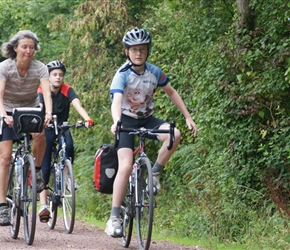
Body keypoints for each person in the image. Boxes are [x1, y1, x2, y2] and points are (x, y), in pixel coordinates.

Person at [105, 28, 198, 237]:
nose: (139, 53)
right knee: (126, 165)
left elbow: (171, 92)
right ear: (127, 52)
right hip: (126, 122)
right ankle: (114, 217)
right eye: (134, 49)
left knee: (174, 134)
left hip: (147, 119)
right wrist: (117, 122)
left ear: (148, 52)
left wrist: (188, 117)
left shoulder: (154, 72)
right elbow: (116, 101)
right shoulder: (122, 75)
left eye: (143, 50)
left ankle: (154, 172)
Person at [0, 30, 52, 226]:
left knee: (40, 134)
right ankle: (2, 205)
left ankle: (36, 171)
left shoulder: (40, 68)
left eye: (31, 47)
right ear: (15, 48)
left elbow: (46, 94)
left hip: (29, 108)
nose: (28, 51)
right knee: (4, 159)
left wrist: (47, 114)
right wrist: (4, 116)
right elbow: (0, 93)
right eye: (24, 47)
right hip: (6, 109)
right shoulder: (4, 67)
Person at [37, 60, 94, 222]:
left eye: (61, 75)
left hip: (63, 126)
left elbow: (78, 105)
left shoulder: (67, 89)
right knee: (45, 163)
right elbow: (40, 106)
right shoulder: (42, 89)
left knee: (69, 146)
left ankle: (67, 175)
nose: (58, 78)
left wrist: (87, 119)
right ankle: (43, 205)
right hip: (47, 127)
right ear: (48, 77)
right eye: (54, 75)